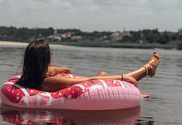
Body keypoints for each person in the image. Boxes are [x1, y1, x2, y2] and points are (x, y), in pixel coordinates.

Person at [16, 39, 160, 93]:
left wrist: (57, 69)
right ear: (45, 59)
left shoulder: (29, 77)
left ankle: (147, 70)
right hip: (87, 91)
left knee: (102, 74)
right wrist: (124, 77)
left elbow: (63, 70)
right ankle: (147, 69)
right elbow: (87, 81)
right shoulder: (48, 81)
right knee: (102, 76)